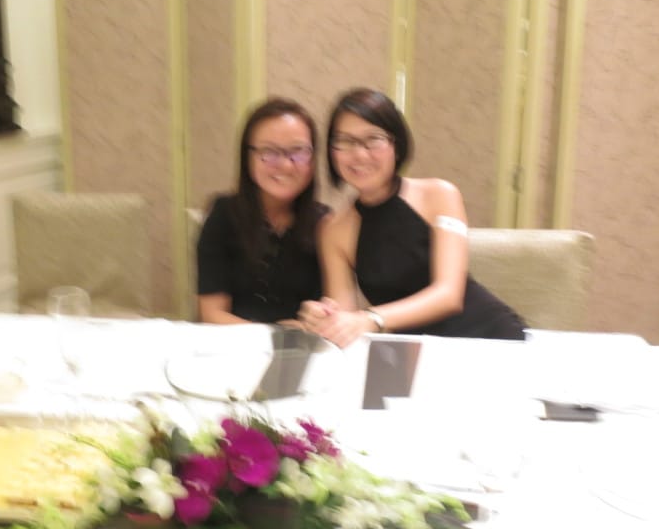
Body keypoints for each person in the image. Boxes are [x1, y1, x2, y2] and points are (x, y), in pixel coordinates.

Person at [298, 87, 527, 346]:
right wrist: (323, 316)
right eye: (345, 141)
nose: (359, 154)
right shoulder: (333, 229)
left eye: (373, 139)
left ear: (396, 145)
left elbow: (449, 294)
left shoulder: (439, 195)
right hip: (412, 353)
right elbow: (345, 320)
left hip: (491, 337)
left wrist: (371, 318)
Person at [196, 98, 327, 325]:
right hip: (232, 343)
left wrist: (318, 317)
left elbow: (328, 311)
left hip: (300, 346)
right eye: (269, 152)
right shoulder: (223, 214)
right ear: (248, 158)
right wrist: (276, 334)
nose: (285, 165)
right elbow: (212, 314)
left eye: (298, 151)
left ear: (313, 159)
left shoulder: (325, 224)